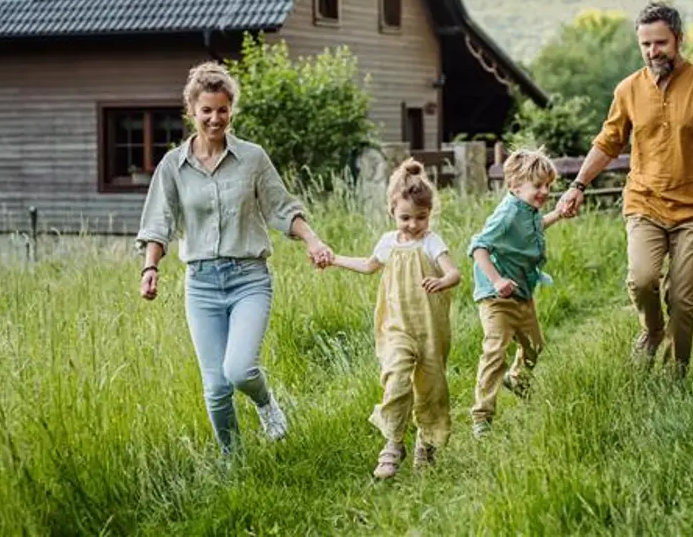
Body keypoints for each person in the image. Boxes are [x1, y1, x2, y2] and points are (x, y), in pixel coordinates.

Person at [135, 61, 334, 454]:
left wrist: (312, 240)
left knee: (239, 370)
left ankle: (265, 402)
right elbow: (158, 221)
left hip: (248, 279)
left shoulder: (253, 158)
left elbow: (282, 208)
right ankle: (234, 463)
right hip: (202, 285)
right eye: (206, 110)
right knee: (216, 386)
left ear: (231, 110)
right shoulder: (173, 166)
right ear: (191, 110)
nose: (214, 118)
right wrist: (150, 268)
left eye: (222, 109)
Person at [557, 1, 693, 375]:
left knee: (682, 299)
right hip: (644, 202)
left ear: (678, 39)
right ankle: (651, 331)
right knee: (642, 279)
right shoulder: (628, 89)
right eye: (646, 44)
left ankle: (674, 376)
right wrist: (578, 185)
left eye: (661, 43)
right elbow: (607, 142)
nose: (653, 52)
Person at [321, 158, 462, 479]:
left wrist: (442, 281)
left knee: (431, 388)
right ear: (392, 212)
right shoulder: (388, 242)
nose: (413, 225)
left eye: (421, 217)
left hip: (429, 330)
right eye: (405, 218)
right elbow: (369, 265)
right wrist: (334, 260)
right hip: (396, 328)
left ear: (430, 214)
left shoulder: (431, 242)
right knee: (396, 379)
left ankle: (426, 444)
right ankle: (393, 442)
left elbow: (454, 273)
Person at [467, 148, 563, 437]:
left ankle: (517, 378)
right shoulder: (507, 213)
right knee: (495, 351)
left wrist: (557, 214)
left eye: (548, 185)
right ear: (515, 185)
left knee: (534, 347)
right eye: (538, 186)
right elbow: (478, 246)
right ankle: (481, 416)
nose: (545, 191)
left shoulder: (528, 209)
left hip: (521, 293)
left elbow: (534, 227)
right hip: (496, 297)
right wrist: (496, 280)